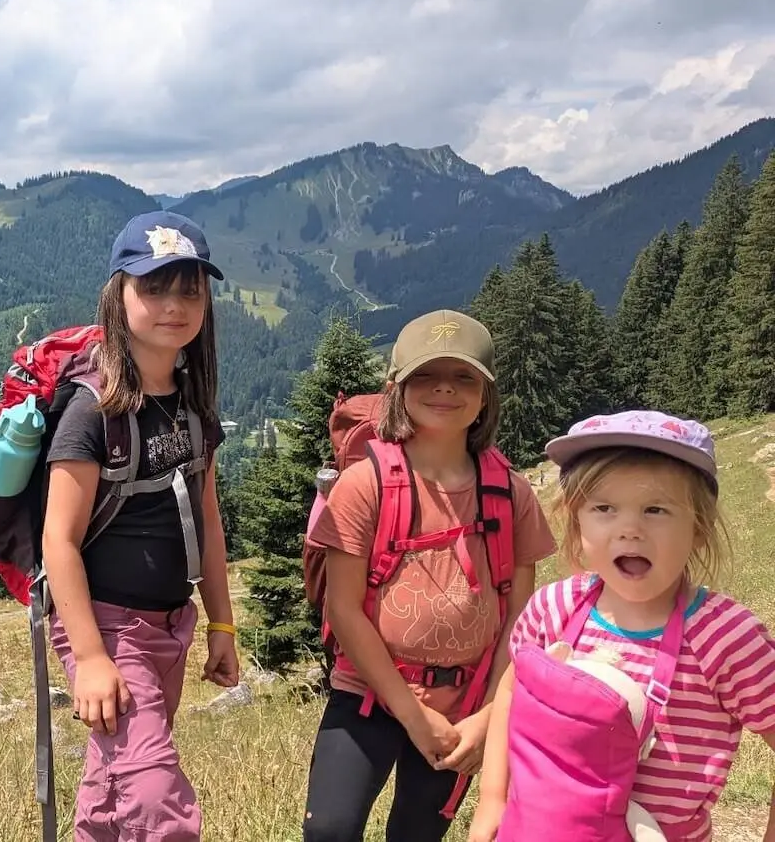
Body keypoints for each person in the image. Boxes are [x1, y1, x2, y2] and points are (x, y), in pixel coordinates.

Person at [301, 309, 557, 842]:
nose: (445, 388)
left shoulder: (512, 494)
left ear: (486, 394)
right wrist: (416, 719)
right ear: (397, 388)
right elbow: (344, 610)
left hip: (465, 707)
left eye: (464, 376)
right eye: (426, 375)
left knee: (417, 833)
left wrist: (487, 720)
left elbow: (520, 621)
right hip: (369, 693)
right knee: (330, 829)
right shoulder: (364, 483)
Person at [470, 410, 775, 842]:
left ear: (700, 528)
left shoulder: (726, 637)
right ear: (577, 520)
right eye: (604, 508)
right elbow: (510, 688)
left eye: (655, 509)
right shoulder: (553, 607)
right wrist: (492, 798)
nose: (629, 529)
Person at [42, 210, 240, 842]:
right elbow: (59, 541)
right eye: (153, 287)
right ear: (118, 296)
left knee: (115, 778)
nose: (174, 304)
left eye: (190, 288)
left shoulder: (192, 407)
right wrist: (94, 658)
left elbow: (206, 519)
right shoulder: (91, 412)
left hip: (172, 627)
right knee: (156, 797)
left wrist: (222, 623)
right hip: (107, 627)